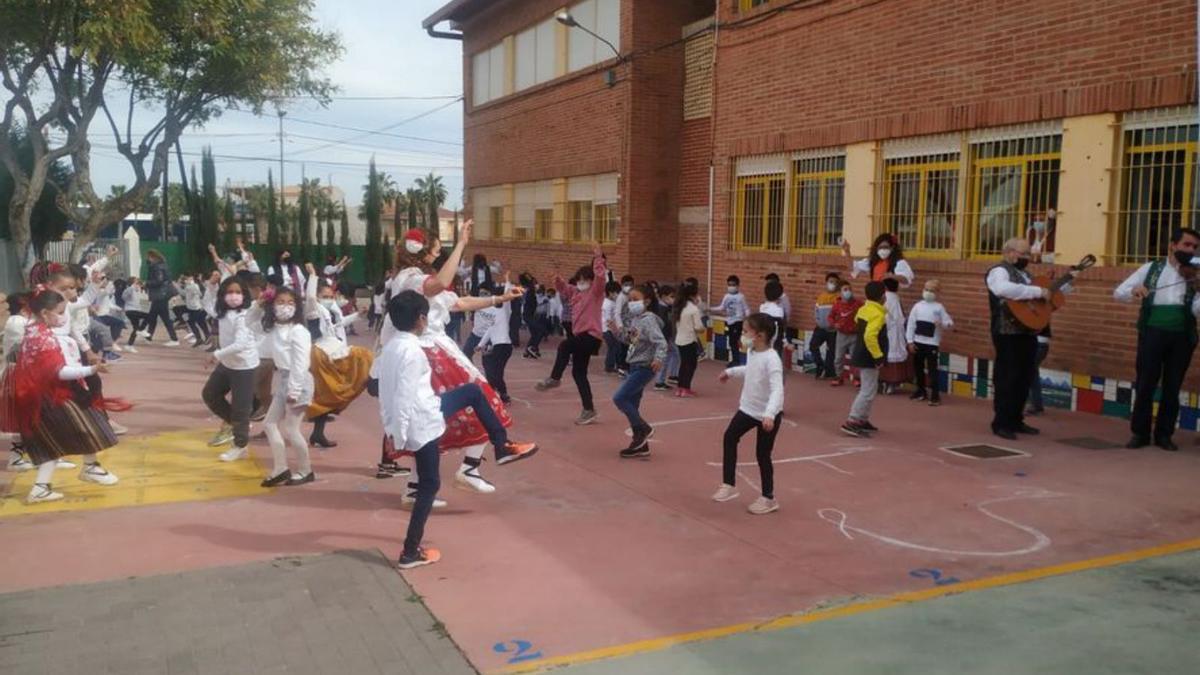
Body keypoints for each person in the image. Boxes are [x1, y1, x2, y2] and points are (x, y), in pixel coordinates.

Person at [381, 223, 539, 498]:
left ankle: (422, 486)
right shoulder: (410, 278)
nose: (438, 254)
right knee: (478, 400)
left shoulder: (417, 277)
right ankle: (470, 467)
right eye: (436, 249)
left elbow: (459, 303)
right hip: (429, 350)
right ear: (423, 252)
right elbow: (440, 284)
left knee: (437, 415)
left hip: (436, 348)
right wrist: (462, 244)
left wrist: (499, 297)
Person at [379, 291, 524, 570]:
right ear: (422, 319)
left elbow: (384, 389)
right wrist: (400, 435)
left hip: (425, 412)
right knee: (429, 485)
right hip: (422, 424)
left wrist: (394, 428)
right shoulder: (412, 353)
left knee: (471, 392)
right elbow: (402, 398)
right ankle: (410, 552)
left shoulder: (391, 347)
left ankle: (501, 446)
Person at [0, 289, 127, 504]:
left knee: (54, 441)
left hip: (38, 397)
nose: (63, 316)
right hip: (50, 397)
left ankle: (45, 486)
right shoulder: (43, 338)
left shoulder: (34, 331)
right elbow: (58, 371)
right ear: (45, 313)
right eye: (59, 312)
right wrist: (92, 370)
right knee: (89, 425)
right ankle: (90, 468)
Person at [1114, 227, 1200, 451]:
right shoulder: (1150, 268)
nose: (1190, 250)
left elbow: (1197, 311)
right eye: (1186, 245)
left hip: (1183, 335)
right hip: (1152, 332)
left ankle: (1164, 434)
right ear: (1173, 245)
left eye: (1194, 247)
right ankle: (1140, 433)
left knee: (1172, 386)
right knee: (1145, 383)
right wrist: (1135, 289)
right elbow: (1118, 292)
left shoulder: (1195, 272)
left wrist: (1199, 290)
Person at [713, 312, 784, 515]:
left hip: (767, 415)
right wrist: (731, 372)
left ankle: (768, 498)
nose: (742, 335)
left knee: (762, 454)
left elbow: (777, 389)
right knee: (730, 437)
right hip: (748, 409)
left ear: (760, 335)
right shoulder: (754, 351)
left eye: (745, 331)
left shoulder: (772, 359)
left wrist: (770, 414)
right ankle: (729, 484)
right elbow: (751, 370)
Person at [986, 238, 1052, 441]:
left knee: (1024, 376)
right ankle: (1001, 422)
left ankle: (1016, 419)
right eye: (1023, 254)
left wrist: (1055, 288)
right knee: (1008, 377)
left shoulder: (1026, 275)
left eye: (1028, 254)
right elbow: (1003, 290)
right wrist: (1037, 291)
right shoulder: (999, 271)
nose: (1027, 258)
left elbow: (1038, 298)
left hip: (1028, 331)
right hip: (1006, 332)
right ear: (1010, 252)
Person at [535, 243, 608, 425]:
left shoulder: (595, 292)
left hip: (591, 336)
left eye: (585, 279)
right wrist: (556, 278)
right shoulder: (576, 292)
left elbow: (600, 277)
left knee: (564, 345)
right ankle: (589, 410)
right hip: (580, 337)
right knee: (578, 373)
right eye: (579, 279)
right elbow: (564, 288)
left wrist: (599, 258)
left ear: (590, 281)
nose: (582, 282)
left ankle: (555, 378)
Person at [302, 263, 373, 448]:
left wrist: (357, 315)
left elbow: (336, 326)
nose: (328, 299)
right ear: (317, 297)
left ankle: (318, 434)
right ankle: (376, 386)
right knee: (365, 357)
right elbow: (309, 296)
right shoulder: (313, 309)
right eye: (324, 296)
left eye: (330, 296)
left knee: (326, 396)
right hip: (323, 353)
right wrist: (312, 275)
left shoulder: (328, 311)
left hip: (333, 351)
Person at [259, 287, 316, 487]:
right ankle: (280, 468)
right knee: (269, 423)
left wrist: (294, 390)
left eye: (290, 303)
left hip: (298, 380)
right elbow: (250, 323)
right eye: (280, 302)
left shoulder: (298, 331)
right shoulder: (273, 327)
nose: (285, 307)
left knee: (292, 429)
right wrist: (258, 304)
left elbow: (300, 363)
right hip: (283, 378)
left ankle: (305, 470)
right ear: (272, 306)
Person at [202, 276, 262, 461]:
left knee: (240, 408)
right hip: (227, 363)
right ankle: (238, 425)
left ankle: (240, 444)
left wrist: (216, 354)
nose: (233, 296)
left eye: (237, 292)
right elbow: (207, 304)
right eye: (229, 292)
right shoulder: (222, 312)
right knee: (210, 394)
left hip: (244, 366)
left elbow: (241, 344)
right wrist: (211, 285)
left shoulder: (245, 315)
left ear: (244, 295)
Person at [611, 284, 667, 458]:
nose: (631, 303)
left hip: (645, 367)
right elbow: (632, 340)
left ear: (647, 301)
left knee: (619, 398)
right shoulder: (636, 319)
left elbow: (661, 342)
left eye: (636, 300)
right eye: (630, 300)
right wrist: (617, 332)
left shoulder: (649, 319)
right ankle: (640, 444)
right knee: (632, 405)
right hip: (634, 365)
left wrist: (658, 359)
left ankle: (644, 428)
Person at [841, 281, 888, 438]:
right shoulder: (878, 314)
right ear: (882, 296)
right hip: (869, 356)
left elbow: (857, 323)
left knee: (870, 388)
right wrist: (878, 355)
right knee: (867, 390)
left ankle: (863, 419)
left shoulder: (863, 309)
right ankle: (853, 420)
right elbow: (870, 335)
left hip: (860, 353)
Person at [906, 279, 954, 405]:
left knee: (932, 370)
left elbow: (949, 323)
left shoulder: (939, 308)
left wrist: (942, 323)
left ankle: (935, 395)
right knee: (918, 368)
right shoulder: (917, 306)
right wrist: (910, 341)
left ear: (937, 293)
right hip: (918, 342)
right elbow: (911, 324)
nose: (928, 292)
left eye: (931, 290)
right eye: (926, 289)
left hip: (932, 343)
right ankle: (920, 391)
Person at [478, 280, 515, 404]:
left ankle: (502, 394)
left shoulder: (505, 311)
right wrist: (479, 345)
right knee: (491, 367)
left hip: (504, 346)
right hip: (497, 346)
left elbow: (507, 299)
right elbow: (489, 330)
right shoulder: (494, 312)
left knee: (495, 371)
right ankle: (495, 390)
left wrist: (507, 282)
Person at [843, 233, 916, 288]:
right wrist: (847, 252)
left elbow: (906, 280)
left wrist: (893, 276)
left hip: (889, 299)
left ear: (892, 248)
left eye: (885, 247)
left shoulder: (898, 262)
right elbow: (852, 267)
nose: (883, 250)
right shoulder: (872, 262)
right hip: (875, 297)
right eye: (880, 248)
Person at [878, 278, 911, 394]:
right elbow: (901, 317)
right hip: (892, 332)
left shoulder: (887, 297)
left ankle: (884, 382)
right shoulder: (895, 298)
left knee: (886, 357)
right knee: (891, 357)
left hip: (887, 331)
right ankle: (890, 384)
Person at [829, 280, 864, 387]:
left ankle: (855, 378)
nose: (848, 291)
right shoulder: (837, 305)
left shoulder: (858, 303)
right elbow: (830, 317)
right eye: (845, 290)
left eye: (849, 289)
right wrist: (834, 324)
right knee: (838, 358)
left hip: (855, 334)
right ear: (840, 292)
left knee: (855, 358)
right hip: (841, 335)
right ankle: (838, 377)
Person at [673, 282, 705, 398]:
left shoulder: (679, 306)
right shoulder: (693, 309)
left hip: (679, 339)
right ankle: (686, 388)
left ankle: (680, 388)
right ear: (693, 295)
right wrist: (702, 329)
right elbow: (698, 327)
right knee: (691, 365)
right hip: (690, 340)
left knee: (683, 363)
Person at [143, 248, 180, 345]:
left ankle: (174, 339)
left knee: (162, 317)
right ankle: (148, 336)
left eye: (148, 257)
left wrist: (147, 283)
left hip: (160, 294)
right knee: (154, 316)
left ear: (152, 257)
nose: (147, 259)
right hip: (162, 294)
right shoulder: (161, 265)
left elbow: (159, 281)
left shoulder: (157, 267)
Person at [711, 275, 750, 366]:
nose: (731, 287)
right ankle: (735, 359)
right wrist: (710, 309)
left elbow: (746, 309)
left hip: (738, 321)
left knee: (735, 340)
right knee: (732, 341)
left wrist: (747, 319)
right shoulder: (726, 296)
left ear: (737, 285)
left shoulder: (741, 297)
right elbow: (721, 307)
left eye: (733, 285)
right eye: (729, 285)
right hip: (730, 321)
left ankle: (736, 361)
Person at [810, 272, 841, 379]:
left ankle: (829, 372)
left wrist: (835, 324)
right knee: (813, 345)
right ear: (826, 282)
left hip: (833, 330)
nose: (833, 284)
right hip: (820, 328)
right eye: (831, 282)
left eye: (835, 283)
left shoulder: (839, 298)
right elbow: (816, 311)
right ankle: (820, 366)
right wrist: (818, 322)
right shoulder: (821, 297)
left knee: (831, 352)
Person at [653, 285, 679, 390]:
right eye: (671, 296)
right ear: (663, 296)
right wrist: (664, 340)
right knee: (664, 359)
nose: (673, 299)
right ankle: (659, 382)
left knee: (674, 354)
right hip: (664, 338)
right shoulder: (661, 309)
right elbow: (663, 325)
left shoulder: (667, 308)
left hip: (667, 337)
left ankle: (671, 376)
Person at [601, 281, 625, 374]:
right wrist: (615, 329)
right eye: (616, 292)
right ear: (610, 292)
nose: (617, 295)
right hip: (607, 329)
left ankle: (612, 365)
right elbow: (608, 318)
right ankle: (610, 366)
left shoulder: (607, 302)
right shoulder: (609, 304)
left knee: (614, 347)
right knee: (614, 347)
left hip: (606, 328)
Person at [122, 277, 150, 353]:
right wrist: (132, 287)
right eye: (136, 282)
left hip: (137, 311)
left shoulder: (143, 291)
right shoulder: (129, 289)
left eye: (138, 282)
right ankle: (141, 330)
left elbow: (145, 307)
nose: (138, 284)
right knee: (149, 315)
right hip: (131, 310)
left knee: (135, 328)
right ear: (132, 283)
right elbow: (124, 297)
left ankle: (129, 345)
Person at [759, 280, 787, 356]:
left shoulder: (762, 307)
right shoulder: (778, 310)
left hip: (762, 342)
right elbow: (780, 330)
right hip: (774, 344)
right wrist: (784, 341)